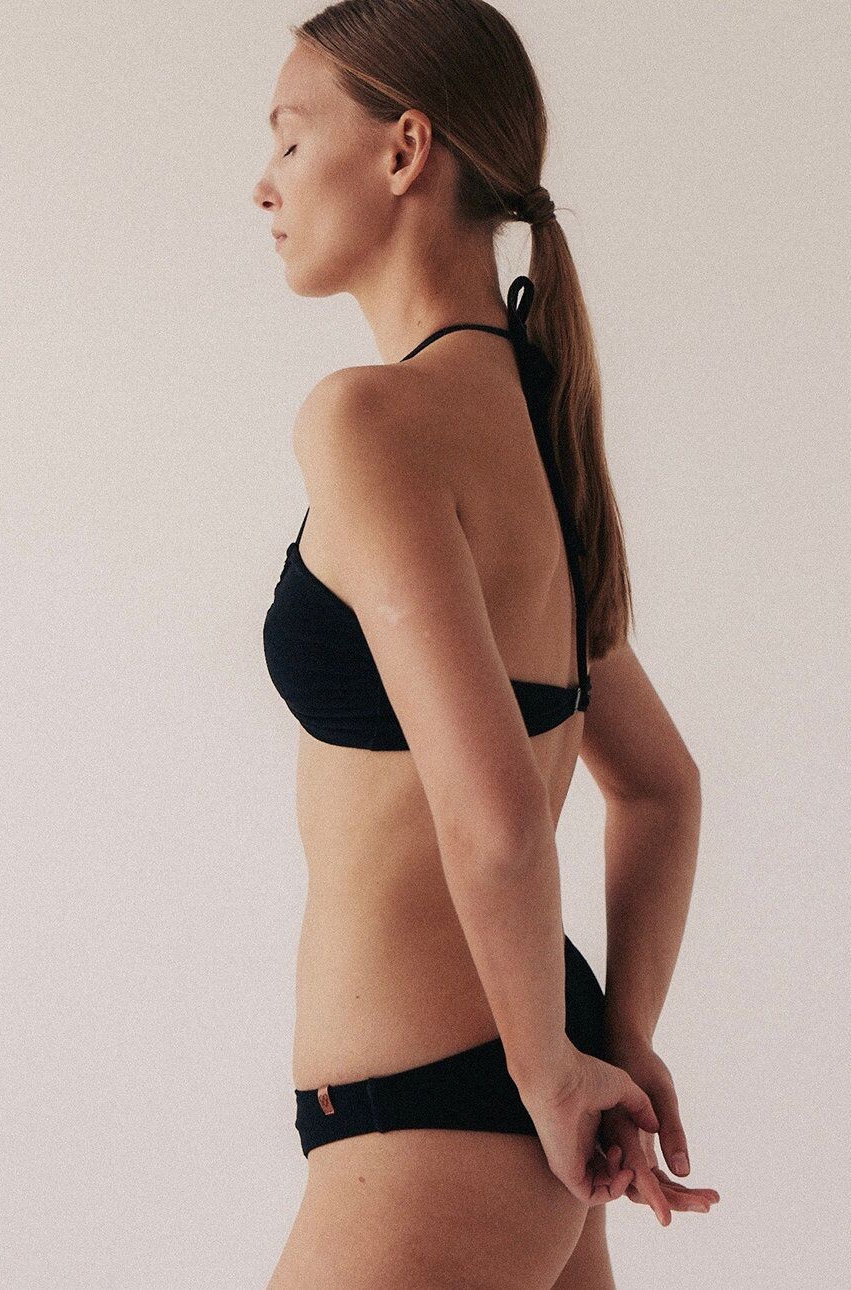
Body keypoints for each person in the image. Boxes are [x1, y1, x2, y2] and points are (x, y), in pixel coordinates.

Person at [253, 2, 719, 1286]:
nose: (264, 184)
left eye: (289, 138)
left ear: (405, 150)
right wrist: (604, 1048)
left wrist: (555, 1073)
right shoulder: (530, 435)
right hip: (511, 1101)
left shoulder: (371, 420)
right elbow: (661, 785)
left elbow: (501, 816)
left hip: (435, 1127)